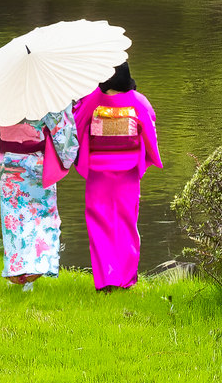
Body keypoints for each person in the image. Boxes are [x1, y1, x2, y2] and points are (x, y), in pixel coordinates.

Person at [72, 62, 161, 291]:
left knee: (98, 224)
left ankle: (105, 280)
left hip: (98, 171)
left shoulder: (91, 100)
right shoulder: (138, 101)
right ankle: (126, 279)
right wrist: (149, 157)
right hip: (127, 171)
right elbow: (149, 130)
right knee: (126, 223)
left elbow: (77, 125)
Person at [0, 109, 79, 289]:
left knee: (13, 219)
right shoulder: (43, 97)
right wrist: (67, 153)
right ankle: (36, 266)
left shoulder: (0, 98)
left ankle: (17, 269)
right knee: (42, 216)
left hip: (9, 162)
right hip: (37, 161)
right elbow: (63, 128)